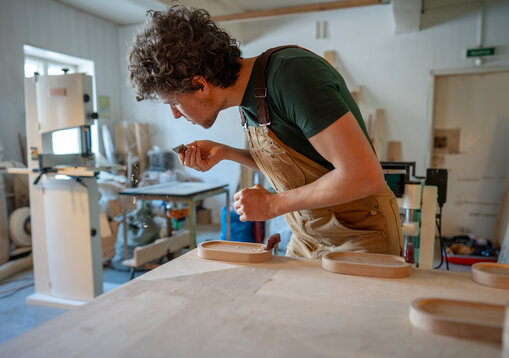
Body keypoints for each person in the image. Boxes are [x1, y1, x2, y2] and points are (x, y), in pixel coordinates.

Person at [127, 5, 403, 258]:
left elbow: (364, 176)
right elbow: (305, 162)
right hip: (308, 236)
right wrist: (226, 153)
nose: (175, 114)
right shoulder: (248, 98)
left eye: (174, 102)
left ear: (201, 85)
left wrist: (272, 205)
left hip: (361, 235)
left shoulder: (291, 75)